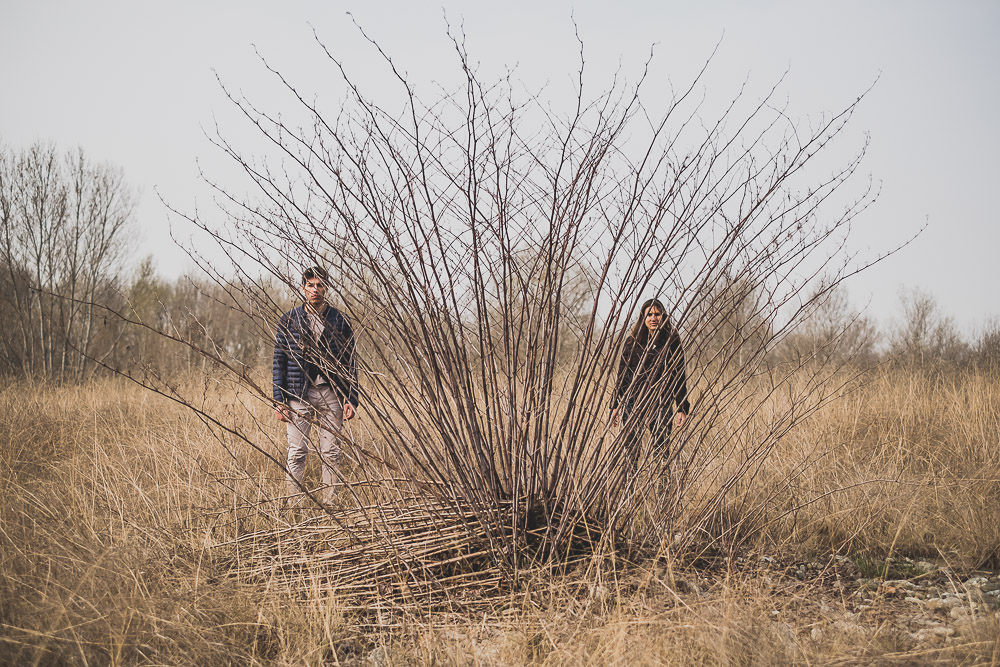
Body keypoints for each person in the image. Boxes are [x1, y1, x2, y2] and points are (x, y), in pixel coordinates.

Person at [272, 266, 358, 505]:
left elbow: (350, 361)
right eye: (311, 285)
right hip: (298, 393)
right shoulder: (289, 319)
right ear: (303, 287)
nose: (316, 290)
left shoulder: (340, 320)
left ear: (327, 288)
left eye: (320, 285)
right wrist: (279, 400)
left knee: (331, 453)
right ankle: (295, 506)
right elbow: (279, 360)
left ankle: (330, 505)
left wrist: (351, 398)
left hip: (331, 393)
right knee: (297, 452)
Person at [611, 298, 690, 459]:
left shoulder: (671, 342)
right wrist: (615, 405)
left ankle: (663, 484)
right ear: (643, 318)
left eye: (657, 314)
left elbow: (679, 376)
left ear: (663, 316)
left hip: (661, 401)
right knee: (630, 451)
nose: (653, 318)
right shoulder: (632, 342)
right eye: (649, 315)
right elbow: (622, 376)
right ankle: (630, 484)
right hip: (634, 401)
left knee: (662, 451)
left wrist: (682, 408)